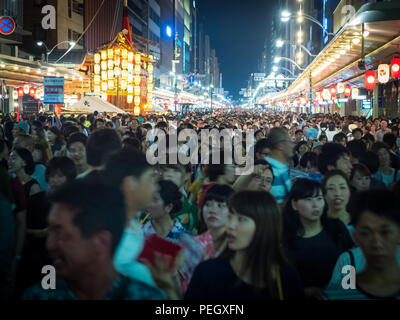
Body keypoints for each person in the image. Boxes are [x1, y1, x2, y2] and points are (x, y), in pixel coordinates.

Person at [21, 180, 165, 300]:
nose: (49, 244)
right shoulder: (39, 296)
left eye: (61, 233)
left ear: (101, 241)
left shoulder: (145, 297)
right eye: (50, 231)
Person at [185, 190, 305, 300]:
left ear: (265, 227)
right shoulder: (208, 273)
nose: (230, 225)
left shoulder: (287, 278)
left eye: (241, 219)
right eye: (229, 217)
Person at [282, 179, 353, 300]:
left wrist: (347, 290)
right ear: (294, 204)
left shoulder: (336, 228)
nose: (315, 205)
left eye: (319, 198)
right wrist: (303, 291)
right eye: (308, 199)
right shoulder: (286, 239)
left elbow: (351, 262)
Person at [325, 190, 400, 300]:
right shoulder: (347, 265)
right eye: (366, 233)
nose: (377, 244)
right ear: (356, 237)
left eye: (385, 232)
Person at [142, 180, 203, 294]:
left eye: (154, 199)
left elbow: (192, 284)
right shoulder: (139, 234)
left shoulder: (186, 241)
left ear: (169, 207)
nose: (148, 203)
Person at [196, 184, 233, 261]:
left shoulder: (236, 245)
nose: (213, 210)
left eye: (220, 205)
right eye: (208, 204)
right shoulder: (194, 243)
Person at [265, 127, 294, 204]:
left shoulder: (282, 168)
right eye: (290, 142)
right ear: (280, 145)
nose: (293, 145)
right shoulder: (268, 170)